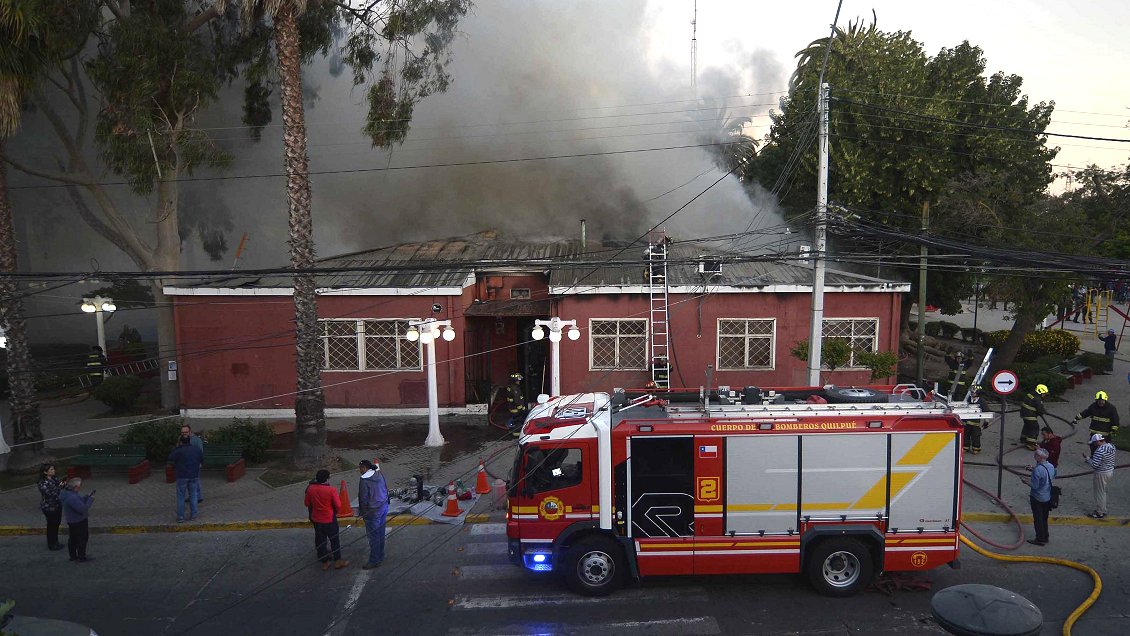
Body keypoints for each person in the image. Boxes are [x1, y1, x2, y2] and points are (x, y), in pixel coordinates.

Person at [304, 469, 349, 571]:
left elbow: (307, 503)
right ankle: (338, 560)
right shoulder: (331, 490)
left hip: (317, 518)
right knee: (334, 540)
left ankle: (325, 561)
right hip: (329, 518)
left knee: (320, 541)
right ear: (327, 479)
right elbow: (338, 505)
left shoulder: (310, 489)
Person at [357, 459, 389, 569]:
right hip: (383, 507)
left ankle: (374, 560)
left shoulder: (364, 480)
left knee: (373, 537)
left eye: (360, 468)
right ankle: (380, 556)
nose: (359, 470)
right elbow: (385, 488)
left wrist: (363, 512)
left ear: (364, 468)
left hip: (372, 512)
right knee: (380, 533)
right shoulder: (378, 474)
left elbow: (363, 498)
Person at [168, 431, 204, 522]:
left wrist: (177, 447)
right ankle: (194, 515)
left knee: (181, 496)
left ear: (181, 442)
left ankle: (181, 517)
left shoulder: (179, 451)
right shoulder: (196, 449)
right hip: (194, 475)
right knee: (193, 495)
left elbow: (170, 457)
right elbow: (201, 459)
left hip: (182, 476)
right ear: (189, 441)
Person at [59, 477, 94, 562]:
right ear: (76, 487)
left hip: (71, 520)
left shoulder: (66, 493)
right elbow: (83, 509)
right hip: (79, 521)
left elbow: (78, 502)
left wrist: (85, 497)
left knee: (73, 538)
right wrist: (90, 500)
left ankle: (73, 556)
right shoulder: (72, 497)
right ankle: (81, 557)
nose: (80, 488)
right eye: (79, 486)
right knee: (82, 539)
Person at [1025, 448, 1055, 546]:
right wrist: (1033, 469)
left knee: (1038, 518)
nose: (1034, 456)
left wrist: (1025, 481)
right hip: (1047, 496)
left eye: (1036, 455)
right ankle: (1045, 536)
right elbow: (1052, 475)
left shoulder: (1038, 470)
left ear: (1040, 457)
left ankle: (1040, 539)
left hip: (1037, 497)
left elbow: (1035, 486)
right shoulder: (1050, 466)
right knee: (1044, 518)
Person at [1083, 433, 1116, 519]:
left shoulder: (1099, 451)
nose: (1093, 445)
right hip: (1109, 472)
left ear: (1098, 441)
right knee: (1102, 492)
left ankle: (1099, 512)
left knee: (1099, 493)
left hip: (1101, 474)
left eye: (1094, 443)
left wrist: (1088, 459)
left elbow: (1094, 465)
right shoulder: (1112, 446)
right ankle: (1103, 510)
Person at [37, 463, 66, 551]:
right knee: (51, 525)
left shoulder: (54, 478)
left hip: (57, 505)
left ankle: (56, 541)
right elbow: (51, 494)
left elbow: (59, 488)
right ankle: (51, 544)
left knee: (56, 524)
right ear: (45, 472)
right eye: (51, 469)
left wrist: (63, 484)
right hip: (49, 507)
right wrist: (60, 487)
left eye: (53, 469)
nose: (54, 471)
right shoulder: (42, 483)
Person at [180, 424, 204, 504]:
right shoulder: (181, 439)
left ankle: (198, 497)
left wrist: (199, 462)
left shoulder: (197, 440)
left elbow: (200, 452)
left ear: (190, 431)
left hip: (194, 463)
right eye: (182, 432)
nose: (184, 434)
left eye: (185, 432)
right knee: (189, 481)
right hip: (185, 464)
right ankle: (192, 496)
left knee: (195, 480)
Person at [1020, 384, 1048, 450]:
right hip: (1030, 415)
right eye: (1044, 393)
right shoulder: (1038, 399)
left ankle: (1023, 438)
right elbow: (1040, 409)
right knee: (1034, 427)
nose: (1044, 395)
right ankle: (1030, 444)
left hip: (1024, 413)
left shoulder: (1031, 394)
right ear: (1040, 392)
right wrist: (1044, 412)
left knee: (1027, 425)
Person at [504, 372, 528, 437]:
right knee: (518, 421)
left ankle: (512, 431)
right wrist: (521, 409)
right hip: (516, 409)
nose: (519, 382)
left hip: (512, 408)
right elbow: (517, 401)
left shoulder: (510, 387)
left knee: (514, 420)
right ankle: (517, 434)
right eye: (518, 380)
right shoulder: (515, 389)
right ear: (514, 381)